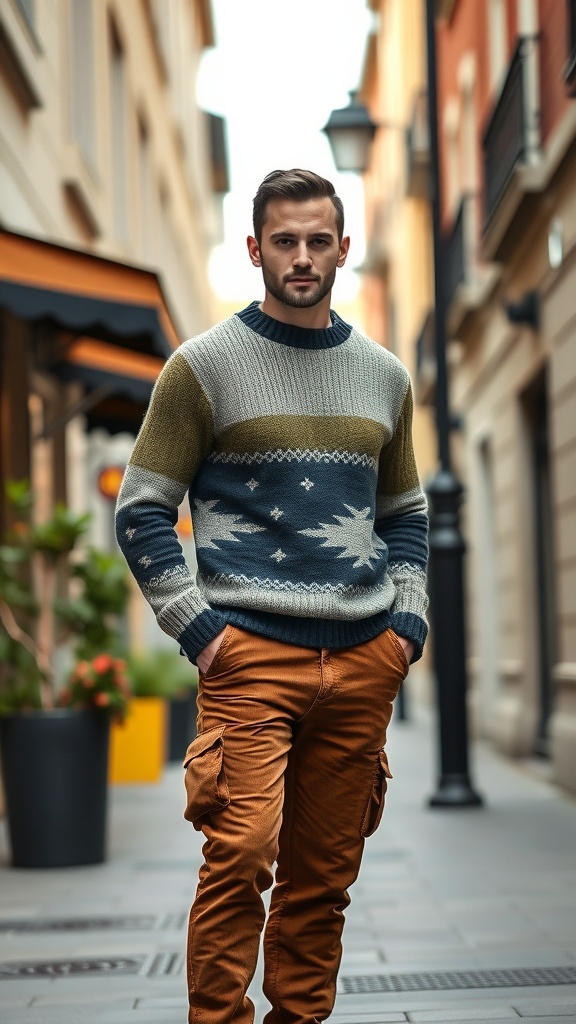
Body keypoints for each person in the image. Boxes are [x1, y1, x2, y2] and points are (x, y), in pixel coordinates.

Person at [115, 169, 428, 1024]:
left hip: (364, 659)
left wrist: (407, 625)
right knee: (241, 856)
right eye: (284, 241)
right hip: (248, 656)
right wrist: (203, 632)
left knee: (324, 878)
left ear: (342, 250)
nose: (301, 257)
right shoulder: (202, 368)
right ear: (254, 249)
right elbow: (142, 512)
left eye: (317, 241)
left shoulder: (383, 377)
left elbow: (404, 514)